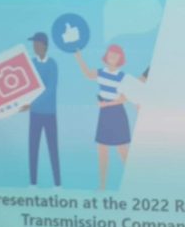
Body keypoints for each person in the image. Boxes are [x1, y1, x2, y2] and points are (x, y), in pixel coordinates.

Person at [74, 44, 144, 190]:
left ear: (120, 58)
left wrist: (106, 104)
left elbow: (124, 99)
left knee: (122, 150)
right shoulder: (100, 73)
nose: (112, 55)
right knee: (102, 150)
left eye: (116, 54)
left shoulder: (123, 77)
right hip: (104, 115)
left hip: (117, 114)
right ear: (106, 55)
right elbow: (87, 74)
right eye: (110, 53)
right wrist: (78, 57)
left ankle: (136, 183)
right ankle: (102, 186)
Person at [21, 32, 60, 187]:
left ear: (44, 45)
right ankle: (33, 184)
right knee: (33, 148)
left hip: (49, 114)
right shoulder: (31, 63)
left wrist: (31, 104)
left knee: (53, 148)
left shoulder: (52, 64)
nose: (34, 46)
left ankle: (58, 184)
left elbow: (50, 89)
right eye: (34, 44)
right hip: (35, 114)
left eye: (37, 43)